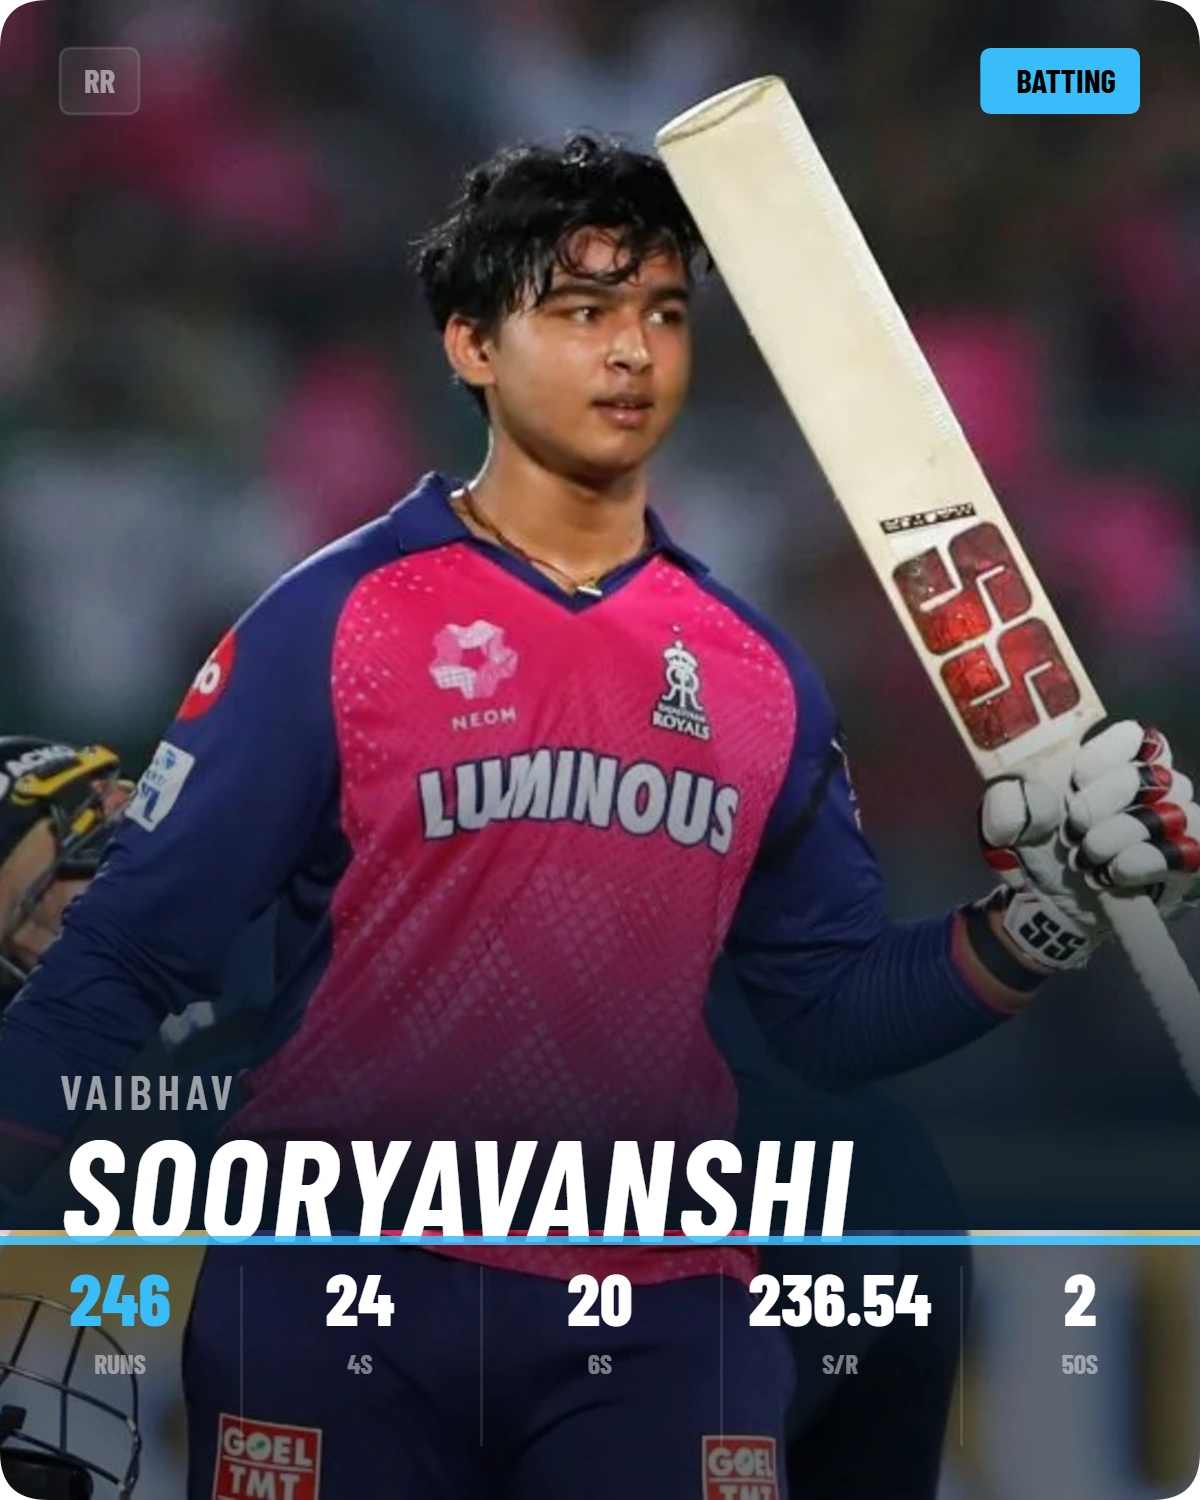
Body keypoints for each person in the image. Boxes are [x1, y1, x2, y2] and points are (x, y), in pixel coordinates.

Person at [0, 135, 1196, 1499]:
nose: (632, 351)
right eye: (581, 310)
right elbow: (124, 954)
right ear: (472, 345)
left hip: (662, 1302)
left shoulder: (757, 673)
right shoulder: (329, 624)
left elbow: (828, 1014)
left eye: (663, 313)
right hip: (339, 1287)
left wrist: (1042, 919)